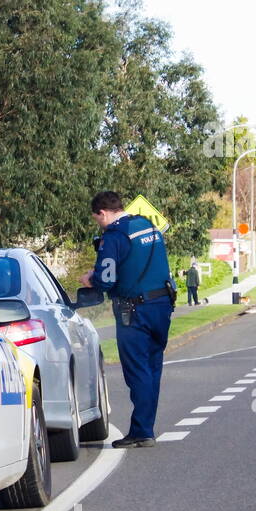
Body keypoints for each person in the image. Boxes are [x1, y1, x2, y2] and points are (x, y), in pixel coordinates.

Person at [78, 191, 174, 448]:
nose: (99, 223)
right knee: (153, 368)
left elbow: (107, 278)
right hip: (163, 305)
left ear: (102, 213)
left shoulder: (115, 236)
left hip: (134, 310)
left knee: (137, 371)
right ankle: (146, 428)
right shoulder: (147, 226)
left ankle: (142, 431)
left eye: (97, 219)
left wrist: (91, 278)